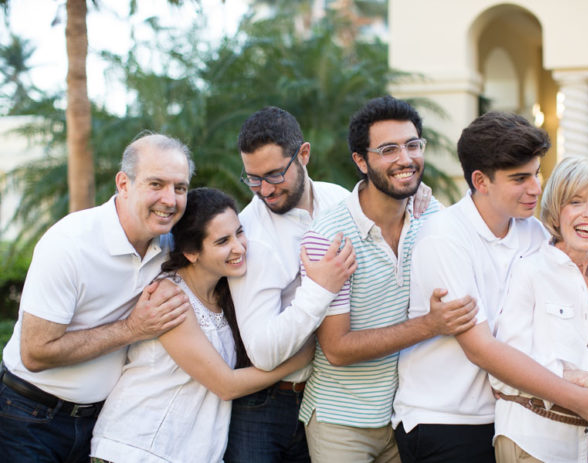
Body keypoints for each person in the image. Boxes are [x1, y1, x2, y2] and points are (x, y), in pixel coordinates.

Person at [391, 112, 588, 463]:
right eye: (520, 178)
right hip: (444, 419)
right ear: (481, 181)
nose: (535, 188)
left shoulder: (533, 233)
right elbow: (481, 348)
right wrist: (579, 399)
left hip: (504, 418)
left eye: (536, 174)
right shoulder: (444, 237)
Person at [298, 96, 478, 462]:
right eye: (388, 150)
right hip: (341, 421)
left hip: (406, 416)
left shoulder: (434, 218)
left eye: (413, 145)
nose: (406, 159)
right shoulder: (327, 236)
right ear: (361, 161)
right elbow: (336, 349)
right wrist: (430, 325)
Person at [0, 133, 193, 462]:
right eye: (156, 184)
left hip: (97, 424)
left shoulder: (170, 248)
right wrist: (133, 328)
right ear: (124, 183)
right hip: (29, 418)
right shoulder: (70, 243)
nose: (170, 200)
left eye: (180, 188)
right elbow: (34, 352)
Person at [90, 187, 316, 463]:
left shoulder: (225, 296)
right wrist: (301, 359)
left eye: (239, 232)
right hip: (140, 449)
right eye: (222, 241)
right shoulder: (170, 297)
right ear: (191, 252)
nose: (239, 247)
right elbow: (226, 385)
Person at [224, 106, 358, 463]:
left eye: (274, 174)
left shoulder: (342, 201)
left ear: (304, 154)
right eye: (252, 179)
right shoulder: (247, 234)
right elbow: (263, 352)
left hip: (331, 401)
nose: (264, 190)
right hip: (264, 406)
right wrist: (320, 287)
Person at [492, 157, 588, 463]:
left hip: (584, 446)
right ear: (557, 210)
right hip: (531, 442)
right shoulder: (530, 270)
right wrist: (584, 378)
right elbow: (506, 367)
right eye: (576, 201)